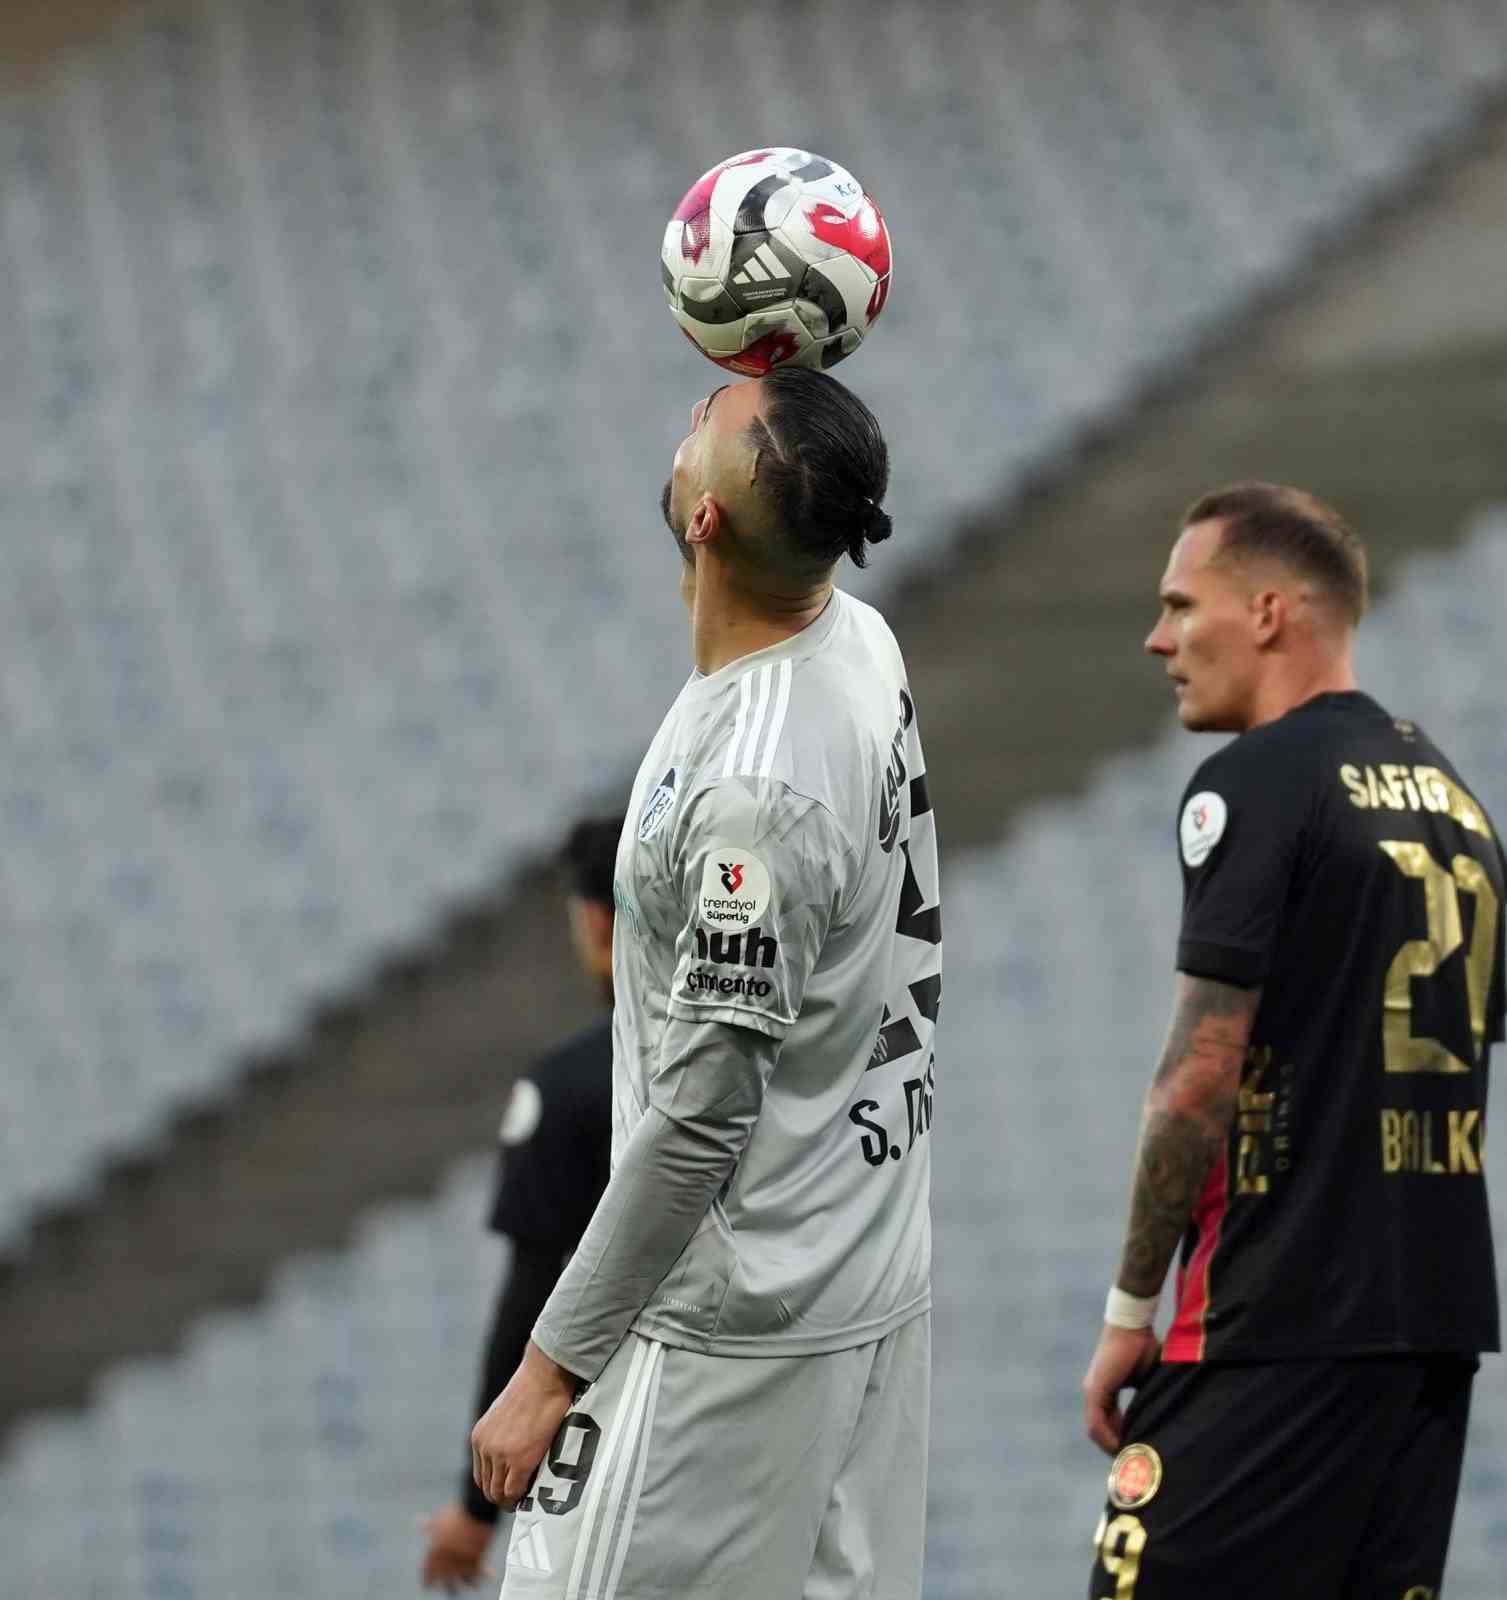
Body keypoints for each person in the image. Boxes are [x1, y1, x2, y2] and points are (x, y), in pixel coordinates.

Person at [471, 366, 940, 1600]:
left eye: (708, 428)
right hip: (862, 1271)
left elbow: (701, 1116)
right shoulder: (857, 632)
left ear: (706, 520)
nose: (690, 417)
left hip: (734, 1335)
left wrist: (549, 1368)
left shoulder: (755, 800)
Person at [1081, 483, 1502, 1600]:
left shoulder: (1255, 782)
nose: (1157, 639)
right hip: (1429, 1328)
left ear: (1267, 612)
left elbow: (1197, 1075)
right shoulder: (1455, 802)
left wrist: (1130, 1312)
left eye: (1180, 605)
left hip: (1278, 1317)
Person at [419, 818, 619, 1592]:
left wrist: (475, 1511)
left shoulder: (569, 1087)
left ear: (597, 919)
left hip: (627, 1450)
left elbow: (531, 1292)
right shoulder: (778, 1062)